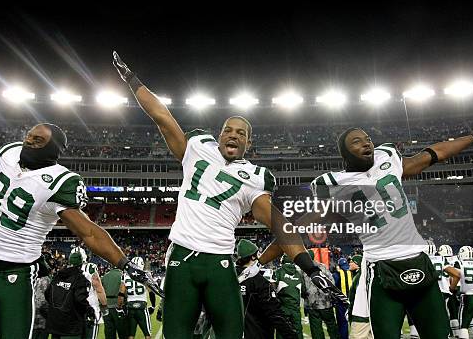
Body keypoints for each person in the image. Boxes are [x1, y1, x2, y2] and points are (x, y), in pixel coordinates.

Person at [112, 51, 346, 338]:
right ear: (220, 134)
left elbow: (278, 224)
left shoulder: (255, 177)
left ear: (249, 141)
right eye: (228, 130)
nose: (233, 135)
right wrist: (132, 80)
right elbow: (162, 116)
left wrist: (309, 267)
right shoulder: (196, 146)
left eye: (241, 133)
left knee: (232, 334)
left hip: (221, 261)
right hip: (181, 258)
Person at [0, 124, 162, 339]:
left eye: (37, 140)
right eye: (28, 136)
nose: (29, 142)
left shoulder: (60, 181)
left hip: (15, 275)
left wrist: (126, 264)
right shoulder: (10, 154)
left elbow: (89, 232)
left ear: (53, 150)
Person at [310, 126, 473, 338]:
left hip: (418, 261)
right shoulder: (330, 184)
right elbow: (301, 223)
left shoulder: (386, 156)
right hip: (381, 268)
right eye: (356, 141)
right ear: (345, 152)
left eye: (368, 139)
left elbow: (434, 153)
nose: (366, 143)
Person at [236, 239, 297, 339]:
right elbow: (275, 313)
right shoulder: (260, 281)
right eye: (258, 253)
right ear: (253, 256)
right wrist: (291, 335)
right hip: (257, 334)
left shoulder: (228, 279)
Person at [46, 252, 93, 339]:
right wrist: (88, 309)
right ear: (81, 264)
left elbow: (47, 294)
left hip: (55, 324)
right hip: (71, 326)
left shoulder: (57, 276)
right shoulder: (79, 278)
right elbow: (80, 299)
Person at [71, 247, 108, 339]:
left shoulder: (67, 271)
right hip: (90, 307)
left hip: (73, 310)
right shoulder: (90, 267)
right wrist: (104, 305)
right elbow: (98, 288)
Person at [302, 249, 340, 339]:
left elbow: (302, 288)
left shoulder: (302, 269)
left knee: (316, 329)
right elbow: (332, 282)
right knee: (332, 326)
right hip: (326, 302)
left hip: (312, 303)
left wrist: (306, 296)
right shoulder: (322, 266)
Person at [121, 257, 156, 338]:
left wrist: (121, 306)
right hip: (142, 306)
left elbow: (122, 292)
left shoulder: (125, 275)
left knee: (131, 335)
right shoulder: (145, 274)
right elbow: (151, 292)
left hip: (130, 306)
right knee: (147, 335)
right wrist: (153, 306)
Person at [274, 254, 304, 339]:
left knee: (282, 330)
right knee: (298, 330)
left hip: (283, 307)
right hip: (295, 308)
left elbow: (272, 289)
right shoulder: (298, 274)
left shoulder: (279, 272)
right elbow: (304, 290)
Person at [102, 266, 128, 339]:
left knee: (109, 332)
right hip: (119, 306)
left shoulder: (105, 276)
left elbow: (100, 291)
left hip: (107, 307)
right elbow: (125, 293)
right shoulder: (122, 276)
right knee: (123, 332)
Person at [332, 258, 353, 339]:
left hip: (341, 302)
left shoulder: (336, 275)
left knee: (342, 322)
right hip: (351, 301)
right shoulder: (352, 273)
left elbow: (333, 288)